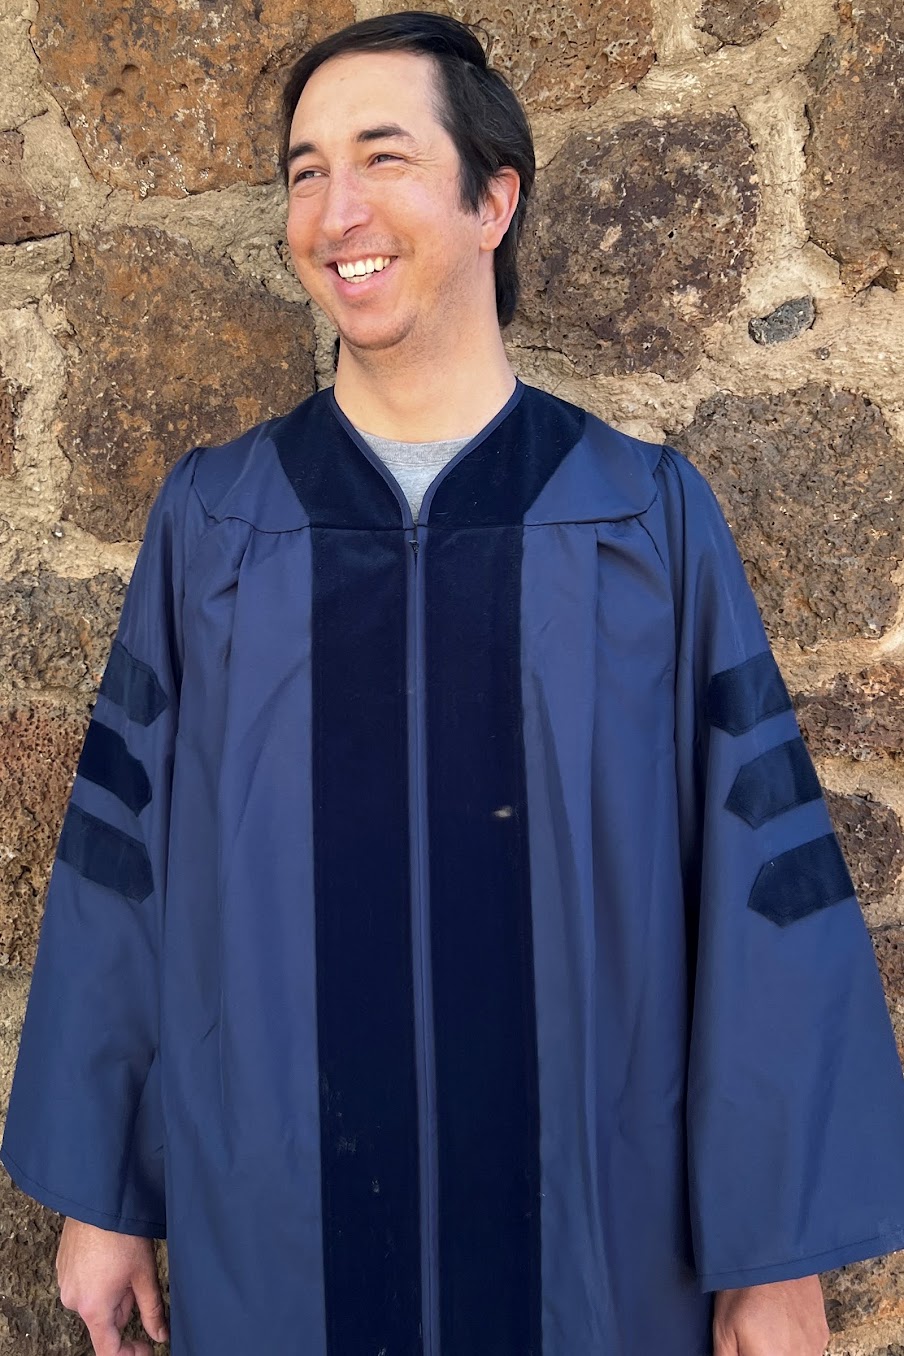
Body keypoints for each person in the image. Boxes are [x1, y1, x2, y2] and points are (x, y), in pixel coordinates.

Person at [3, 11, 904, 1356]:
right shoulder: (217, 526)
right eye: (305, 171)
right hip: (281, 1229)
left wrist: (769, 1260)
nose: (335, 208)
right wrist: (105, 1196)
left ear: (496, 198)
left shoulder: (643, 522)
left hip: (595, 1235)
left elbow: (756, 887)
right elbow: (124, 872)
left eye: (381, 157)